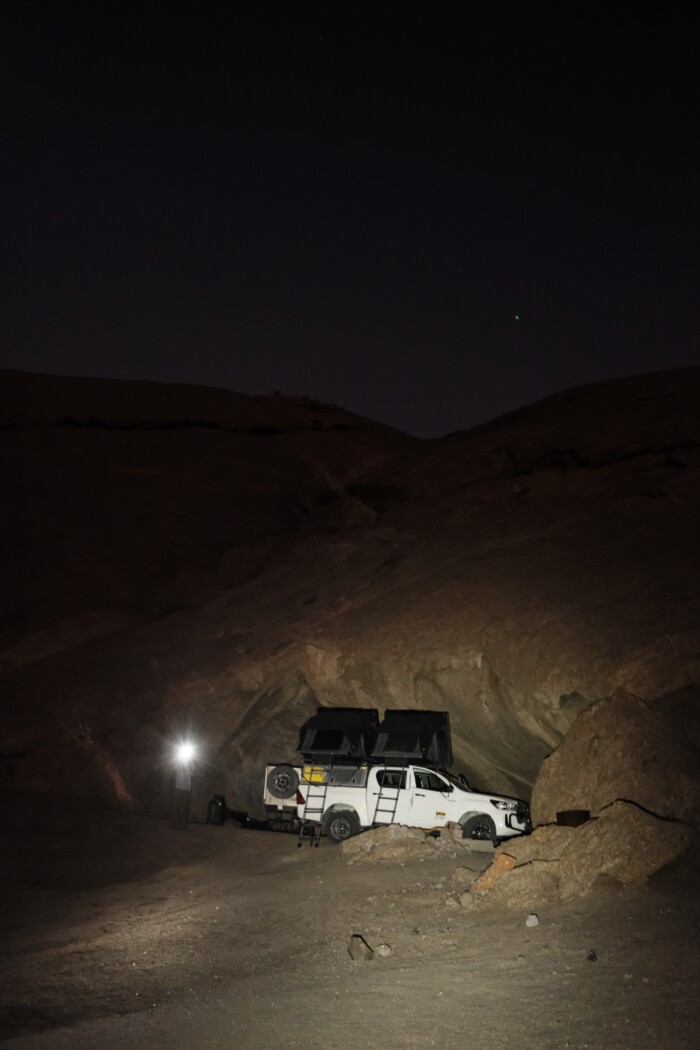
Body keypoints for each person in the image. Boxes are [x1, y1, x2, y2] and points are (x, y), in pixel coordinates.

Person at [171, 755, 195, 829]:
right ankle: (174, 824)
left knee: (185, 807)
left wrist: (187, 767)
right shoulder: (178, 761)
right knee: (176, 806)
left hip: (187, 788)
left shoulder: (192, 763)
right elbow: (174, 770)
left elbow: (192, 774)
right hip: (178, 787)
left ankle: (183, 824)